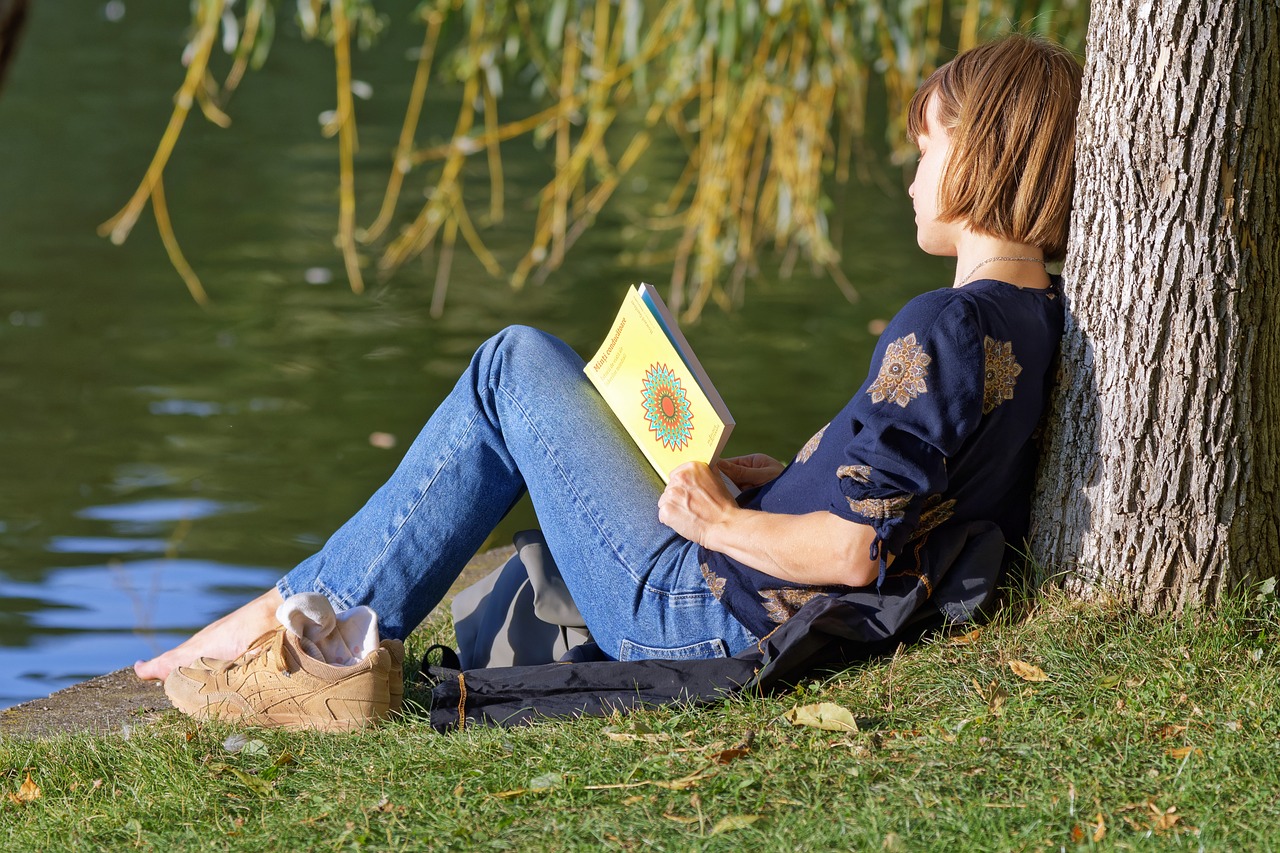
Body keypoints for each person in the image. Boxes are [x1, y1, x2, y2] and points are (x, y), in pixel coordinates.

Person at [137, 33, 1083, 729]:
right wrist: (759, 484)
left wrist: (716, 522)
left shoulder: (945, 319)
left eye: (928, 145)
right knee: (542, 386)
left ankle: (302, 632)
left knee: (513, 367)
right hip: (751, 602)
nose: (913, 173)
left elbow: (850, 551)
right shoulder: (1040, 320)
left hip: (698, 611)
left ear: (984, 148)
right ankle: (307, 613)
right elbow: (905, 493)